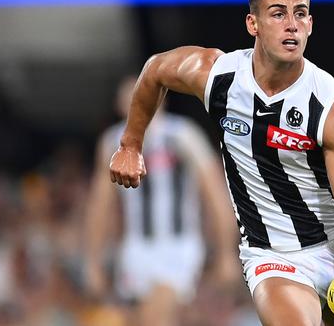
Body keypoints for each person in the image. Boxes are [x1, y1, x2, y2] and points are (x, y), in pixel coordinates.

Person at [108, 0, 334, 326]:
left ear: (311, 24)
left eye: (300, 13)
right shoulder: (218, 76)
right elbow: (155, 71)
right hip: (271, 255)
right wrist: (131, 143)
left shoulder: (332, 109)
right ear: (252, 23)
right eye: (278, 13)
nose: (291, 25)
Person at [85, 75, 240, 326]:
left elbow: (216, 195)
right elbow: (100, 206)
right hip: (136, 248)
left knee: (159, 315)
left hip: (179, 246)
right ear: (120, 105)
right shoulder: (112, 142)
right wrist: (92, 260)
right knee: (141, 318)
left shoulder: (183, 135)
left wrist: (226, 253)